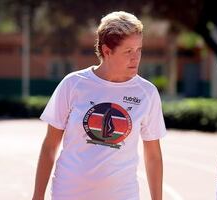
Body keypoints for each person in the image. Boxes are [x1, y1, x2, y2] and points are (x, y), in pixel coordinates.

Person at [32, 11, 166, 200]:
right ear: (106, 51)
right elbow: (50, 146)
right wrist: (37, 196)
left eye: (139, 50)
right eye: (128, 51)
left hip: (122, 195)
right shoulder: (73, 84)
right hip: (69, 193)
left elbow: (153, 155)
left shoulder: (147, 92)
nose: (136, 58)